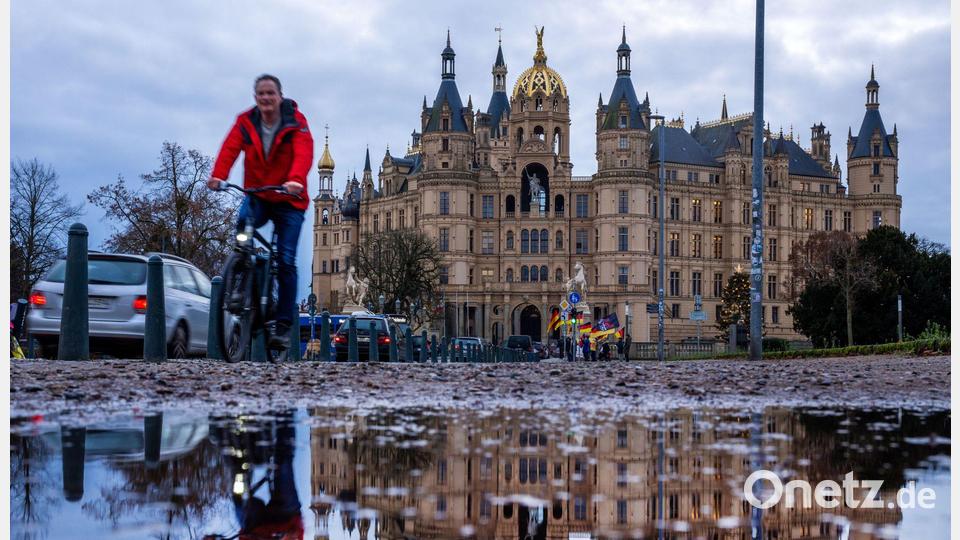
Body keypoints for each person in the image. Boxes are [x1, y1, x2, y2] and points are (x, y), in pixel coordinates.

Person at [208, 74, 313, 350]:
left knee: (286, 260)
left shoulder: (296, 122)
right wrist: (218, 175)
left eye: (271, 93)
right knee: (243, 229)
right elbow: (230, 147)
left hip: (289, 198)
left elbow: (304, 152)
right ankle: (244, 278)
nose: (266, 98)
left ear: (280, 96)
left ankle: (281, 325)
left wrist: (296, 180)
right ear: (256, 98)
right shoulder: (246, 121)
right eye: (261, 94)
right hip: (258, 193)